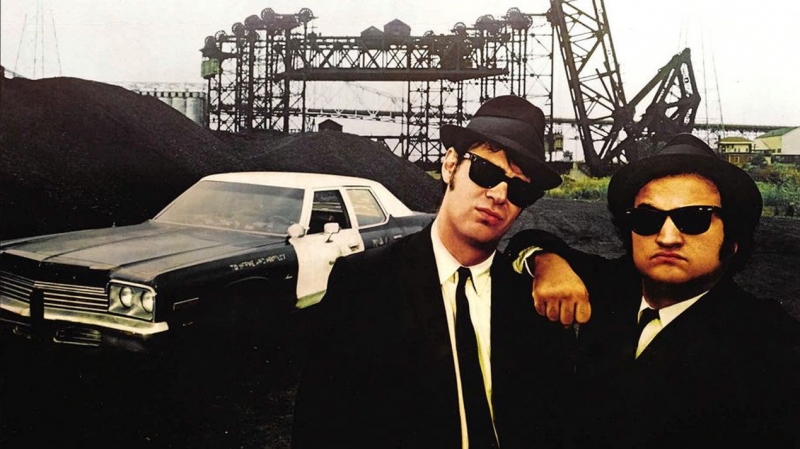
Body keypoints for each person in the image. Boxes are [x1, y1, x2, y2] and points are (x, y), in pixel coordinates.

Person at [291, 95, 575, 449]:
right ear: (450, 165)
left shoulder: (534, 298)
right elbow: (320, 425)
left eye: (520, 189)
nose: (500, 194)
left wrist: (548, 256)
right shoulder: (366, 284)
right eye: (486, 172)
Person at [507, 133, 800, 448]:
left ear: (732, 239)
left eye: (693, 219)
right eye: (647, 219)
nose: (667, 237)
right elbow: (527, 240)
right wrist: (546, 262)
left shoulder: (771, 341)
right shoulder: (611, 284)